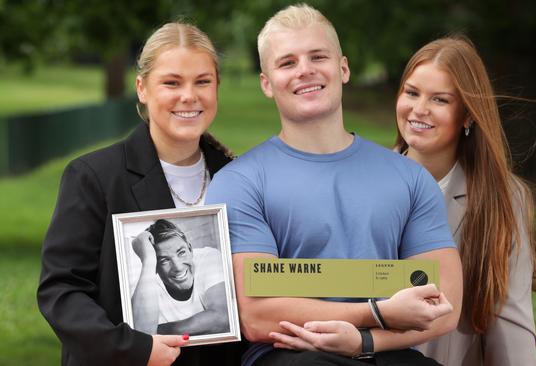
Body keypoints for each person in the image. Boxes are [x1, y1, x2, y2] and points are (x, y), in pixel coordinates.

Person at [205, 4, 463, 366]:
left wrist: (363, 342)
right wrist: (376, 313)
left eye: (317, 56)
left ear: (343, 68)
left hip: (386, 353)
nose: (305, 70)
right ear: (267, 83)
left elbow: (445, 306)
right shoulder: (239, 182)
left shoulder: (409, 178)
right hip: (291, 354)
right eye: (287, 62)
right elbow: (257, 316)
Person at [37, 22, 244, 366]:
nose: (189, 96)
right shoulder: (93, 177)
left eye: (202, 82)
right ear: (142, 88)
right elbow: (61, 292)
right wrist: (134, 348)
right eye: (171, 82)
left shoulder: (238, 177)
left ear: (217, 88)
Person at [393, 36, 536, 365]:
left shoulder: (504, 198)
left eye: (439, 99)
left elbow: (511, 325)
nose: (419, 109)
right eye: (411, 92)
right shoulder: (360, 180)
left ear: (467, 115)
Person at [131, 219, 229, 336]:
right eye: (164, 260)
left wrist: (157, 332)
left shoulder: (208, 257)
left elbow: (222, 318)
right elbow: (141, 335)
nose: (177, 267)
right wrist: (148, 260)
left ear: (190, 249)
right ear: (155, 266)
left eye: (181, 253)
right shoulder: (145, 283)